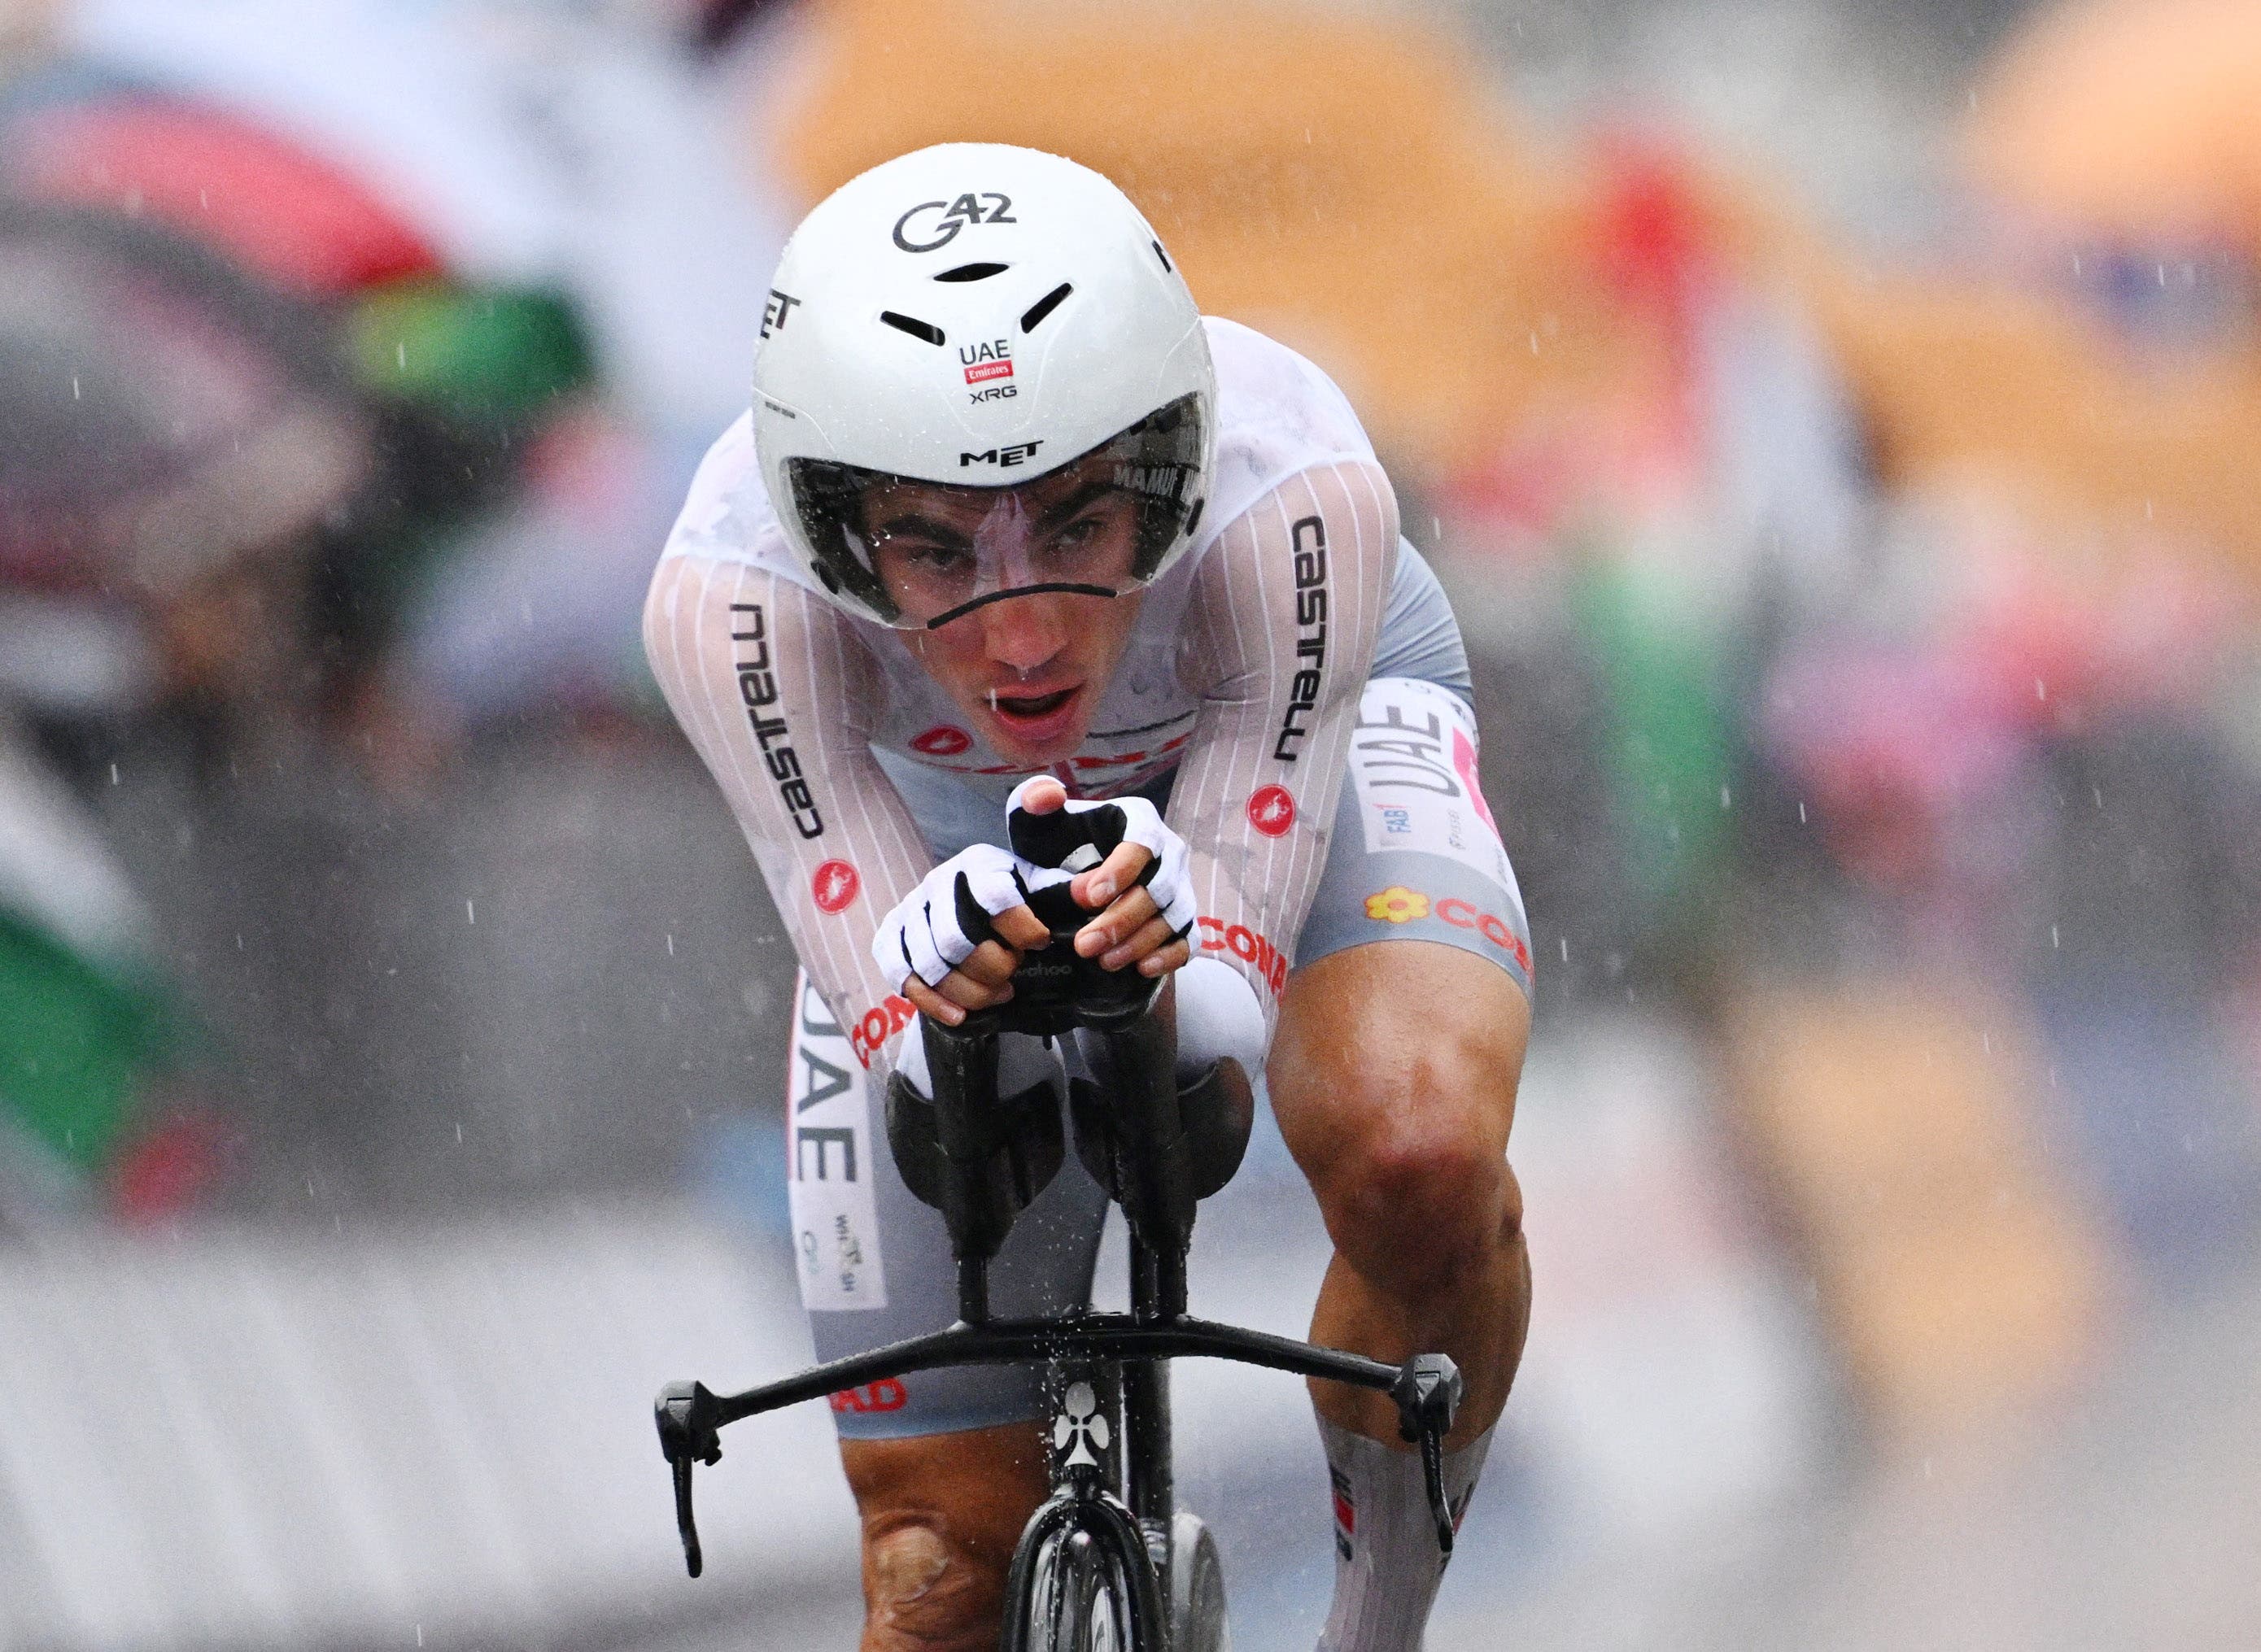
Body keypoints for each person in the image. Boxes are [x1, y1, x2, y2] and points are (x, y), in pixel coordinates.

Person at [644, 143, 1533, 1652]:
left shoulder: (1293, 496)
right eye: (933, 547)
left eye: (1078, 521)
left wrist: (1188, 930)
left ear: (1175, 466)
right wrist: (932, 982)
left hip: (1286, 738)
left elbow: (1228, 1010)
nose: (1029, 632)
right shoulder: (732, 596)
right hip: (932, 830)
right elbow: (898, 1031)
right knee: (934, 1574)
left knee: (1413, 1143)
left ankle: (1378, 1629)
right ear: (831, 529)